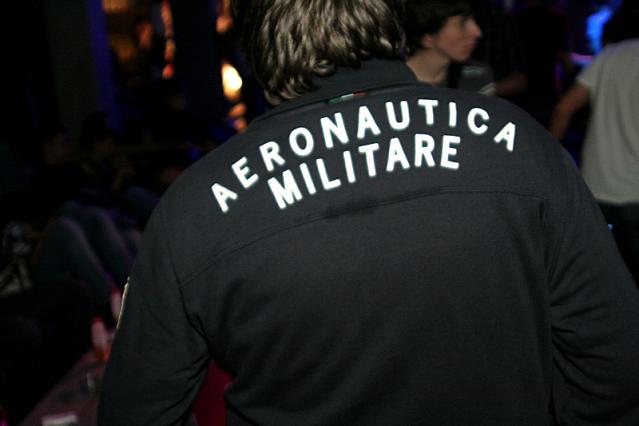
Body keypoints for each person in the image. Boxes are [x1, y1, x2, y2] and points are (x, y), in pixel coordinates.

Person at [99, 0, 639, 424]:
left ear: (253, 39)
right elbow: (613, 356)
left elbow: (138, 411)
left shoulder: (199, 207)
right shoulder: (514, 144)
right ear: (390, 13)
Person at [549, 10, 639, 284]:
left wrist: (549, 163)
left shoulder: (610, 55)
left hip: (596, 189)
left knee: (597, 282)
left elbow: (564, 108)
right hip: (635, 195)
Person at [404, 0, 495, 95]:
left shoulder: (476, 75)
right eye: (462, 23)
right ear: (427, 37)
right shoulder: (395, 81)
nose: (477, 32)